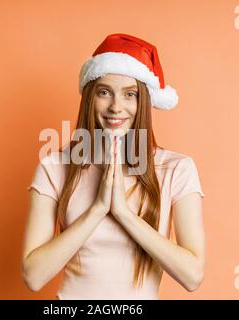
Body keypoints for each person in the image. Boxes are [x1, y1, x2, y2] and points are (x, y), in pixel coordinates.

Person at [22, 33, 206, 299]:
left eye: (129, 94)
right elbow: (33, 276)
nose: (116, 107)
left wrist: (123, 213)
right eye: (104, 92)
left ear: (143, 101)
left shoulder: (176, 169)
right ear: (89, 98)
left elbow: (192, 276)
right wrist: (97, 209)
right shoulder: (55, 166)